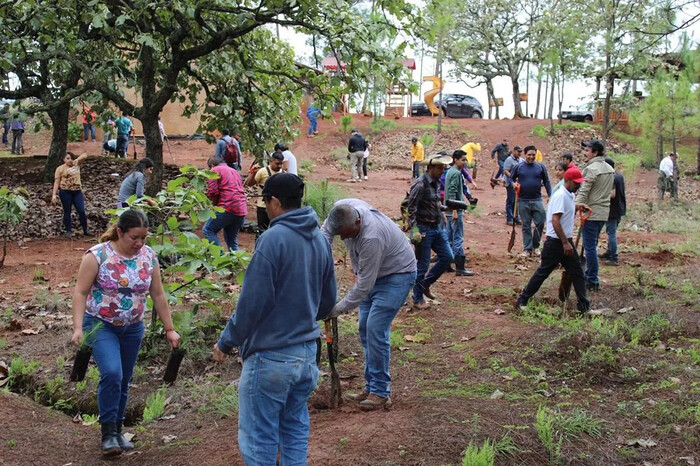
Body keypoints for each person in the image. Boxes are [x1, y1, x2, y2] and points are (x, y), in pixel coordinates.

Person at [212, 173, 337, 465]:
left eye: (265, 201)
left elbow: (252, 304)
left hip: (272, 357)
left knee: (260, 438)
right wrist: (301, 314)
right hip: (307, 355)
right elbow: (328, 301)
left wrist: (226, 341)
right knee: (294, 429)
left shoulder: (272, 239)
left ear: (276, 202)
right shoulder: (320, 239)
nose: (265, 207)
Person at [70, 209, 180, 457]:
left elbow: (158, 294)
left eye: (144, 237)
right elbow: (80, 292)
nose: (139, 243)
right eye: (134, 237)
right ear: (119, 232)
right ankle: (108, 433)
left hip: (133, 327)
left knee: (124, 378)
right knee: (112, 373)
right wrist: (78, 327)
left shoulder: (148, 257)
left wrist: (170, 329)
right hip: (101, 324)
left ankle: (118, 429)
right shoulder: (97, 256)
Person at [321, 199, 416, 410]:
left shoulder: (371, 237)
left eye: (346, 233)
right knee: (364, 328)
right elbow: (324, 236)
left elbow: (364, 285)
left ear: (357, 223)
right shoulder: (341, 210)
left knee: (375, 328)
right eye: (340, 234)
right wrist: (320, 264)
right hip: (372, 274)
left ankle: (381, 391)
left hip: (396, 275)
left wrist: (336, 309)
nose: (343, 238)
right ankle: (371, 385)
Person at [516, 167, 590, 314]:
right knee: (543, 273)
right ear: (567, 181)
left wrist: (577, 207)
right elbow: (555, 221)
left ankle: (584, 307)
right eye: (576, 183)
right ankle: (522, 300)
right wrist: (564, 243)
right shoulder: (561, 195)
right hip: (556, 242)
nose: (579, 185)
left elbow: (565, 211)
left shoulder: (570, 194)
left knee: (577, 273)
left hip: (564, 241)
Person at [407, 154, 454, 310]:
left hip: (436, 227)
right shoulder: (420, 185)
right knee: (423, 264)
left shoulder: (436, 183)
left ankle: (425, 284)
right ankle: (417, 298)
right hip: (423, 229)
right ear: (431, 168)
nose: (442, 170)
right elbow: (411, 209)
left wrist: (442, 211)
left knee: (448, 257)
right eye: (440, 167)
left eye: (443, 167)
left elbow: (432, 203)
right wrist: (414, 231)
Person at [576, 139, 615, 291]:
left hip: (591, 212)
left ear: (595, 152)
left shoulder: (591, 169)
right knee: (591, 245)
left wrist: (576, 205)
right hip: (603, 212)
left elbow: (584, 190)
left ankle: (592, 279)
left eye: (587, 150)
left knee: (589, 247)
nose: (584, 153)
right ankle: (590, 275)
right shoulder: (609, 168)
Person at [510, 145, 552, 257]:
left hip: (537, 199)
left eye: (533, 155)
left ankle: (536, 246)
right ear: (525, 155)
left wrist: (550, 195)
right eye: (529, 155)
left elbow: (547, 181)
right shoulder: (518, 167)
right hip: (523, 200)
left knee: (540, 222)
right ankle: (527, 249)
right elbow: (510, 178)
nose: (531, 157)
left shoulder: (540, 167)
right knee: (526, 225)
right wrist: (513, 184)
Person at [203, 157, 247, 252]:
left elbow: (213, 191)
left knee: (208, 230)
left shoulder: (214, 170)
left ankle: (220, 258)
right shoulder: (234, 171)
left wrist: (213, 205)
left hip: (227, 206)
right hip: (241, 209)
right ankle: (236, 263)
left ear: (211, 166)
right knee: (232, 240)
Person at [444, 150, 474, 276]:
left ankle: (446, 264)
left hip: (449, 211)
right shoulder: (455, 173)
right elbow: (452, 191)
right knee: (458, 238)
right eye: (463, 159)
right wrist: (455, 210)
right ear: (455, 160)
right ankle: (460, 267)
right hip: (454, 211)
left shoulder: (451, 171)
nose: (465, 162)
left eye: (465, 160)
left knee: (449, 238)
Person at [52, 152, 90, 237]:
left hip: (77, 191)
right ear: (64, 160)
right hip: (65, 191)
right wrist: (54, 195)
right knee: (67, 211)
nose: (70, 160)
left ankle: (85, 230)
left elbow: (85, 155)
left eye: (71, 158)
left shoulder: (77, 164)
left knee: (81, 211)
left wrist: (77, 159)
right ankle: (68, 231)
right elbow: (57, 182)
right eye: (68, 158)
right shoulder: (60, 169)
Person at [244, 151, 284, 232]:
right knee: (262, 231)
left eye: (281, 164)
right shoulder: (262, 171)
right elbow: (248, 184)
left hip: (278, 207)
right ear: (271, 161)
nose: (279, 166)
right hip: (263, 206)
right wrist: (252, 174)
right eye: (277, 163)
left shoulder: (283, 173)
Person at [601, 157, 626, 266]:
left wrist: (600, 196)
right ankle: (609, 252)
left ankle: (613, 257)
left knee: (611, 233)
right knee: (611, 231)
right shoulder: (619, 175)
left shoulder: (610, 177)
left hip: (612, 209)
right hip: (619, 208)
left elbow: (612, 194)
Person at [503, 146, 523, 226]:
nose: (519, 153)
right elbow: (505, 171)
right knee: (510, 201)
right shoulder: (509, 160)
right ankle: (510, 218)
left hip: (518, 183)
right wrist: (512, 177)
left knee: (517, 201)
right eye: (518, 151)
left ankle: (516, 218)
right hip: (511, 184)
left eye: (520, 152)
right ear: (514, 151)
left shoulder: (521, 160)